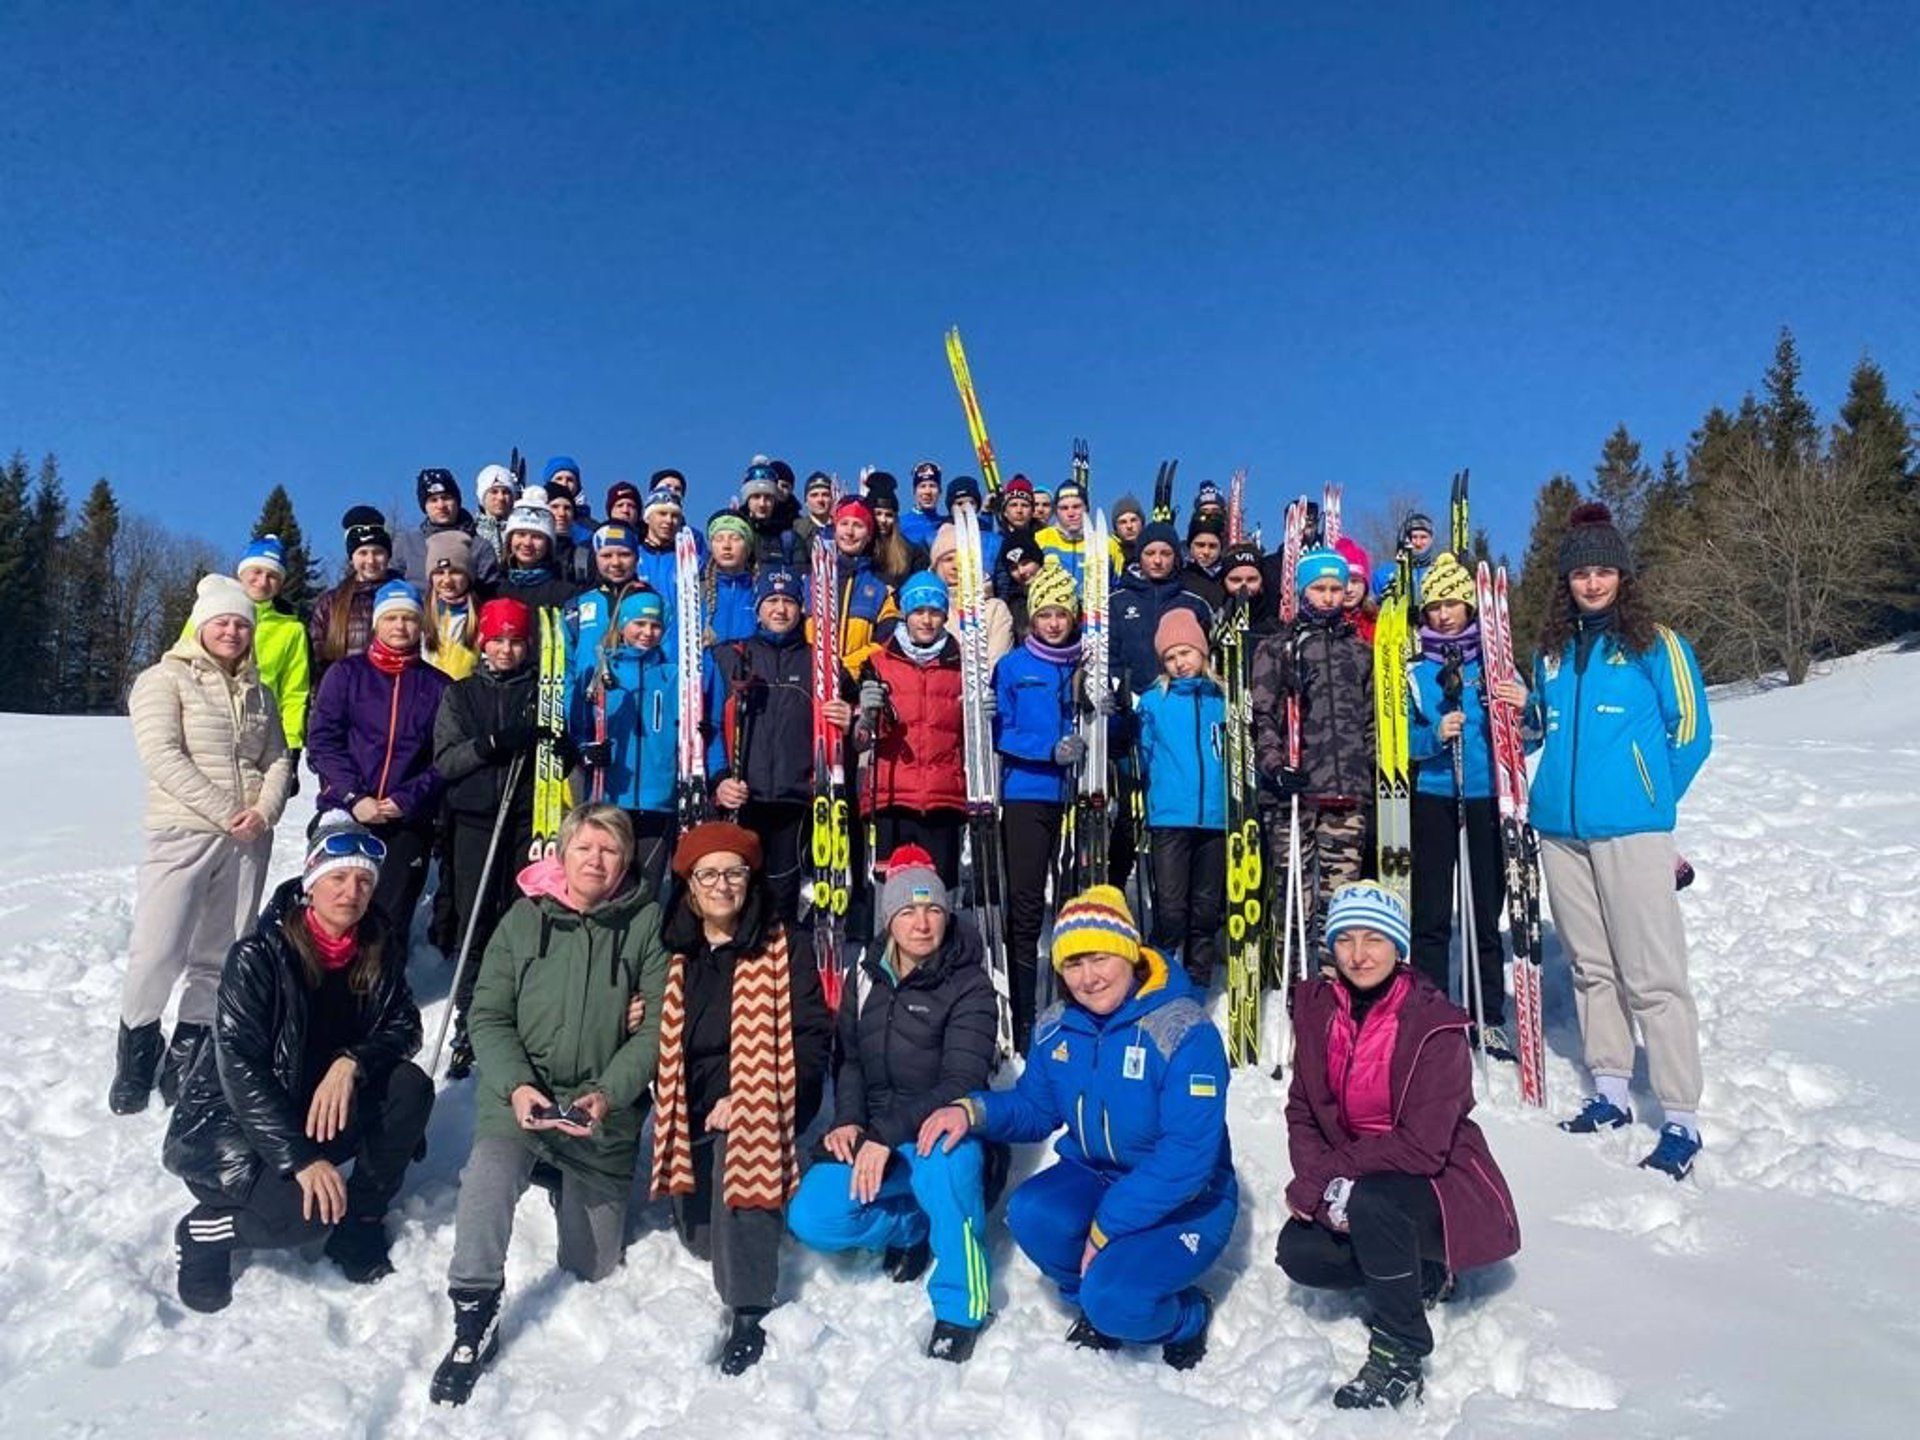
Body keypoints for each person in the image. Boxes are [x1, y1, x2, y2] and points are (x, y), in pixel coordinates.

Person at [919, 887, 1233, 1369]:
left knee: (1119, 1300)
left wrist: (1108, 1224)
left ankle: (1185, 1316)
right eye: (1072, 963)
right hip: (1099, 1178)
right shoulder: (1058, 1025)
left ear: (1128, 952)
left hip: (1188, 1201)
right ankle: (1094, 1297)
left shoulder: (1182, 1030)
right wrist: (973, 1111)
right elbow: (1035, 1108)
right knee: (1032, 1213)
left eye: (1099, 959)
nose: (1087, 978)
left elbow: (1187, 1159)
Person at [432, 804, 670, 1406]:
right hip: (521, 1102)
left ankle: (567, 1175)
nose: (596, 859)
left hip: (599, 1112)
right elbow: (487, 1013)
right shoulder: (523, 919)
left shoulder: (645, 924)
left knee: (592, 1264)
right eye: (585, 847)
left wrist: (609, 1094)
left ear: (626, 862)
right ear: (562, 854)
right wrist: (515, 1084)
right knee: (488, 1177)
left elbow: (657, 1030)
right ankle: (473, 1305)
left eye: (610, 850)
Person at [164, 818, 433, 1312]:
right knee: (305, 1216)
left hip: (318, 1103)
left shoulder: (375, 942)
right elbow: (240, 1068)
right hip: (236, 1128)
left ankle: (363, 1223)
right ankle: (204, 1232)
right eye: (338, 877)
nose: (351, 892)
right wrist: (302, 1159)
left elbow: (404, 1026)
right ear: (311, 882)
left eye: (364, 881)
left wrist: (351, 1062)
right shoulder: (259, 954)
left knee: (408, 1087)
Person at [1521, 503, 1712, 1179]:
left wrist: (1648, 798)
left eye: (1605, 571)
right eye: (1582, 573)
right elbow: (1536, 729)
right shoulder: (1551, 652)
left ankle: (1680, 1115)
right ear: (1565, 580)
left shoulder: (1656, 643)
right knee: (1590, 966)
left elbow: (1690, 730)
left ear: (1623, 576)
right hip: (1561, 832)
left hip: (1632, 830)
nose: (1593, 583)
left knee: (1653, 974)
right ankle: (1609, 1089)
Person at [1276, 882, 1519, 1409]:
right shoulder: (1318, 1009)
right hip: (1358, 1183)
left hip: (1435, 1189)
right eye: (1346, 940)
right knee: (1300, 1254)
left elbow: (1423, 1147)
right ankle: (1417, 1273)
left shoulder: (1436, 1025)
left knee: (1377, 1201)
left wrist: (1330, 1178)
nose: (1359, 955)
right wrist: (1322, 1179)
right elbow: (1302, 1108)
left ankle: (1401, 1349)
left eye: (1374, 940)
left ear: (1398, 947)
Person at [786, 847, 999, 1361]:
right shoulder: (865, 974)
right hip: (879, 1135)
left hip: (945, 1131)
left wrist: (883, 1135)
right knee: (813, 1214)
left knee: (943, 1167)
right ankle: (914, 1226)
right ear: (889, 918)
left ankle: (960, 1305)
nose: (922, 924)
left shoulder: (970, 984)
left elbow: (961, 1079)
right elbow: (851, 1060)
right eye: (907, 911)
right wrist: (850, 1121)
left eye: (933, 911)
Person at [649, 822, 832, 1375]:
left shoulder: (784, 946)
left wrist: (754, 1097)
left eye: (734, 872)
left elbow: (811, 1038)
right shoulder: (674, 951)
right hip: (689, 1115)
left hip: (761, 1108)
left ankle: (750, 1308)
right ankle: (733, 1222)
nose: (722, 885)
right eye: (709, 874)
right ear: (689, 885)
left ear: (751, 881)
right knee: (704, 1242)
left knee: (742, 1137)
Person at [118, 574, 294, 1114]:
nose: (233, 632)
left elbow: (278, 760)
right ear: (200, 625)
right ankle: (137, 1052)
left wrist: (263, 813)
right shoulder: (163, 680)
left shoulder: (260, 692)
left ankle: (188, 1052)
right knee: (159, 948)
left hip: (247, 840)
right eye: (223, 621)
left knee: (221, 954)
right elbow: (162, 756)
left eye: (242, 624)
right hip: (184, 831)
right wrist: (227, 812)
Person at [306, 580, 451, 958]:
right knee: (338, 905)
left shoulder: (439, 686)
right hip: (347, 808)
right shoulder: (346, 673)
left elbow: (445, 758)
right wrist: (355, 797)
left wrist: (406, 798)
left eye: (409, 619)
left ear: (421, 626)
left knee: (390, 914)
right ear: (376, 623)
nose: (400, 627)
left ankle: (381, 996)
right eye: (392, 618)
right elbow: (323, 741)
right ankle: (324, 990)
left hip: (406, 817)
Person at [1406, 553, 1511, 1057]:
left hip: (1484, 795)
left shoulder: (1492, 665)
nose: (1444, 615)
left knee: (1484, 910)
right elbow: (1397, 737)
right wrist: (1430, 735)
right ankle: (1431, 1012)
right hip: (1433, 796)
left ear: (1470, 606)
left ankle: (1487, 1014)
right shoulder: (1414, 670)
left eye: (1452, 604)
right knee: (1430, 912)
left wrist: (1522, 706)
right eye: (1434, 606)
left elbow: (1526, 735)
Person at [431, 596, 540, 1078]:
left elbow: (560, 751)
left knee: (520, 923)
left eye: (515, 641)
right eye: (497, 640)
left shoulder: (541, 691)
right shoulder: (461, 694)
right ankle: (469, 1022)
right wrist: (488, 746)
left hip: (523, 820)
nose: (506, 650)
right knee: (476, 923)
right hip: (474, 820)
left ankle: (513, 1015)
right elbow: (445, 761)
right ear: (482, 642)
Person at [706, 568, 848, 925]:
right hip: (743, 797)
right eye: (772, 601)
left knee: (786, 898)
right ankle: (741, 972)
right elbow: (707, 728)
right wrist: (719, 779)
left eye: (789, 601)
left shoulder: (823, 663)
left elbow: (858, 723)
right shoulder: (730, 656)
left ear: (800, 609)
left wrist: (851, 717)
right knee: (738, 896)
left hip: (797, 800)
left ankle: (784, 970)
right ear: (758, 609)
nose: (781, 609)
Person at [1252, 546, 1373, 959]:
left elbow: (1372, 720)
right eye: (1319, 588)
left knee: (1338, 906)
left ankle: (1332, 985)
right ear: (1304, 591)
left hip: (1346, 793)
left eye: (1336, 588)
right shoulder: (1279, 648)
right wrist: (1275, 765)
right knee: (1295, 899)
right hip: (1294, 793)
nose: (1328, 597)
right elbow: (1262, 716)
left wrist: (1368, 772)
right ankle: (1294, 987)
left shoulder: (1359, 651)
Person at [991, 561, 1082, 1051]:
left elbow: (1108, 732)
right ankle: (1023, 1014)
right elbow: (999, 730)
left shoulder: (1087, 663)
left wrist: (1105, 716)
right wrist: (1047, 748)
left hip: (1076, 798)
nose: (1052, 622)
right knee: (1027, 906)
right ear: (1032, 616)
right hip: (1026, 792)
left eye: (1061, 614)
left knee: (1071, 907)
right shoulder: (1013, 666)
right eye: (1044, 613)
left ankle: (1072, 1004)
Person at [856, 571, 967, 887]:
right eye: (919, 611)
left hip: (942, 797)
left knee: (938, 890)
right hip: (892, 798)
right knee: (893, 890)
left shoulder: (961, 663)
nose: (927, 620)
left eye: (935, 612)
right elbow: (862, 740)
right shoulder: (878, 662)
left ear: (945, 615)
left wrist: (982, 712)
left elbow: (970, 735)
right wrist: (866, 713)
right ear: (906, 613)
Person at [1135, 608, 1227, 988]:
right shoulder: (1155, 701)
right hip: (1171, 818)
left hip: (1217, 818)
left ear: (1202, 652)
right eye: (1170, 658)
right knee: (1172, 912)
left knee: (1206, 913)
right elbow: (1142, 751)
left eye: (1185, 653)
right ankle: (1156, 979)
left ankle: (1196, 989)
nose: (1180, 663)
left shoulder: (1223, 698)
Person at [180, 535, 309, 793]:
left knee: (253, 813)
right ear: (242, 573)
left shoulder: (291, 629)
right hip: (206, 723)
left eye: (273, 576)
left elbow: (294, 693)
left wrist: (291, 750)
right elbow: (182, 662)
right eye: (257, 572)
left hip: (259, 730)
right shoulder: (210, 612)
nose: (263, 581)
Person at [572, 588, 678, 894]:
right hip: (611, 796)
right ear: (623, 626)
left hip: (658, 799)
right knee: (608, 884)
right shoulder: (602, 672)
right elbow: (579, 727)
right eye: (639, 624)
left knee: (647, 887)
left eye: (655, 626)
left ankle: (642, 941)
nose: (647, 632)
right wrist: (587, 752)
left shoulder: (672, 675)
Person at [309, 505, 398, 680]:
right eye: (363, 553)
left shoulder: (403, 597)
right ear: (352, 558)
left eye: (378, 552)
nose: (371, 560)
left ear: (388, 556)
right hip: (345, 695)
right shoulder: (331, 603)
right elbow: (316, 659)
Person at [394, 467, 500, 586]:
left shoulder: (479, 547)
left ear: (457, 501)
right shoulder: (408, 544)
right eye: (433, 500)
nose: (441, 505)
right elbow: (392, 586)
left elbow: (490, 591)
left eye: (446, 498)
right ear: (424, 507)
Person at [830, 495, 900, 673]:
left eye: (858, 526)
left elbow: (886, 638)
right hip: (814, 682)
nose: (849, 532)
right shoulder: (811, 578)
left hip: (857, 681)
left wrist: (847, 668)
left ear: (869, 535)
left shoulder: (880, 587)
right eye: (844, 523)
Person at [930, 523, 1013, 665]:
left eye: (961, 558)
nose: (956, 565)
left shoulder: (994, 608)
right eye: (948, 559)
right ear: (936, 566)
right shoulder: (927, 609)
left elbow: (998, 660)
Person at [494, 488, 581, 611]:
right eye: (521, 534)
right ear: (510, 540)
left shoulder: (565, 593)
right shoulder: (495, 590)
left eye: (537, 537)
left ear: (548, 543)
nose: (527, 543)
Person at [1035, 480, 1122, 588]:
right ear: (1056, 512)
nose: (1071, 513)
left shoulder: (1107, 544)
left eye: (1076, 507)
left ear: (1087, 509)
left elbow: (1120, 586)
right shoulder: (1040, 539)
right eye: (1064, 508)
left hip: (1095, 603)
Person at [421, 531, 480, 681]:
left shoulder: (481, 616)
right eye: (439, 573)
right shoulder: (421, 616)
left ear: (468, 576)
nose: (447, 580)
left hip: (466, 697)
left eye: (455, 572)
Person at [700, 513, 761, 644]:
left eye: (735, 538)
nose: (726, 546)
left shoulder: (761, 592)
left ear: (748, 547)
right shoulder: (697, 593)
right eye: (719, 539)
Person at [471, 463, 519, 572]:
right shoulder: (471, 530)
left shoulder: (520, 529)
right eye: (494, 492)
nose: (501, 497)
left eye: (506, 492)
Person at [1181, 513, 1227, 611]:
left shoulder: (1229, 578)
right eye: (1200, 545)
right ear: (1190, 546)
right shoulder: (1179, 578)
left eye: (1212, 546)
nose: (1206, 552)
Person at [1335, 536, 1376, 643]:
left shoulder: (1377, 620)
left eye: (1355, 581)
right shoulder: (1325, 622)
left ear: (1365, 585)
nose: (1348, 589)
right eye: (1342, 582)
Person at [900, 460, 945, 551]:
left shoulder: (947, 524)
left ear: (940, 491)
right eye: (922, 486)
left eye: (932, 486)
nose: (927, 491)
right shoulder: (899, 524)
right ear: (914, 491)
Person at [1111, 494, 1146, 567]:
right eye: (1123, 522)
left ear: (1142, 523)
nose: (1129, 526)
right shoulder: (1109, 554)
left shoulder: (1152, 552)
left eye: (1133, 520)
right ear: (1116, 528)